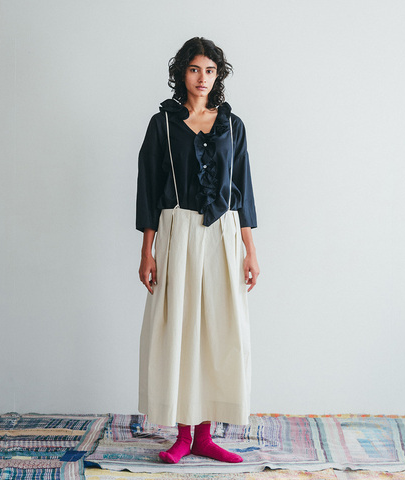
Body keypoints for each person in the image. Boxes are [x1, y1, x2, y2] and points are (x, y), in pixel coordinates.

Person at [136, 37, 259, 465]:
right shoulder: (163, 124)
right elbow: (149, 188)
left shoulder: (232, 125)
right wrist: (147, 251)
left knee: (218, 330)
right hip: (178, 231)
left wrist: (250, 250)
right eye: (194, 69)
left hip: (223, 234)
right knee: (180, 329)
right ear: (181, 73)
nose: (202, 78)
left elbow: (243, 189)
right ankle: (183, 435)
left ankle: (205, 436)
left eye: (209, 70)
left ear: (218, 75)